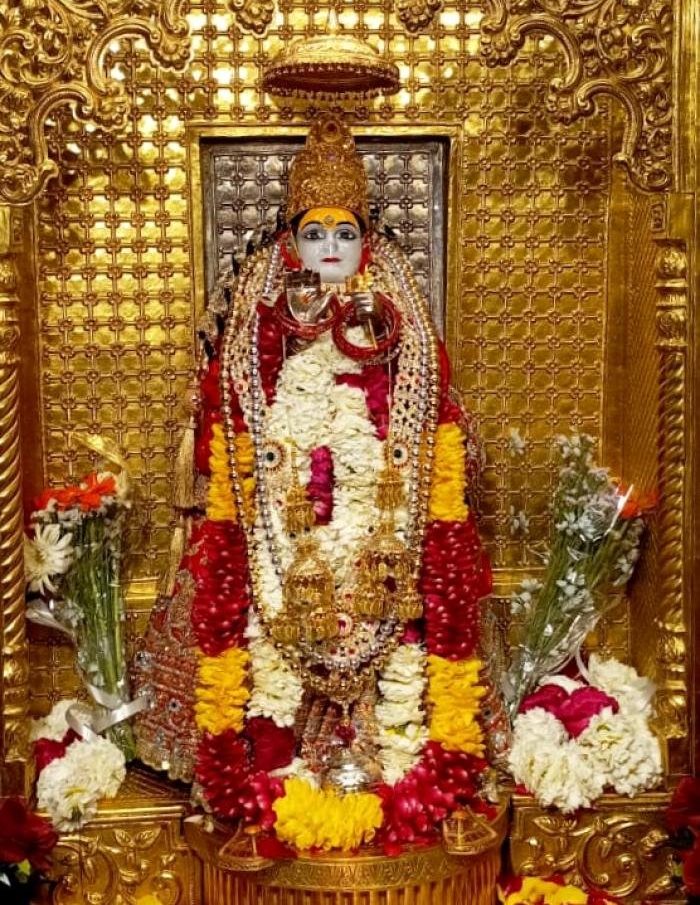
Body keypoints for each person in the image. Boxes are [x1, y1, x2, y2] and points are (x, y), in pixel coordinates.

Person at [134, 115, 494, 850]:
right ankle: (268, 765)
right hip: (283, 517)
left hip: (381, 520)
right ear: (291, 245)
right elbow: (230, 437)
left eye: (345, 234)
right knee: (268, 632)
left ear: (367, 245)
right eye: (315, 234)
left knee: (395, 627)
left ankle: (401, 759)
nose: (330, 248)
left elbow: (438, 427)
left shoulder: (397, 329)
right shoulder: (261, 329)